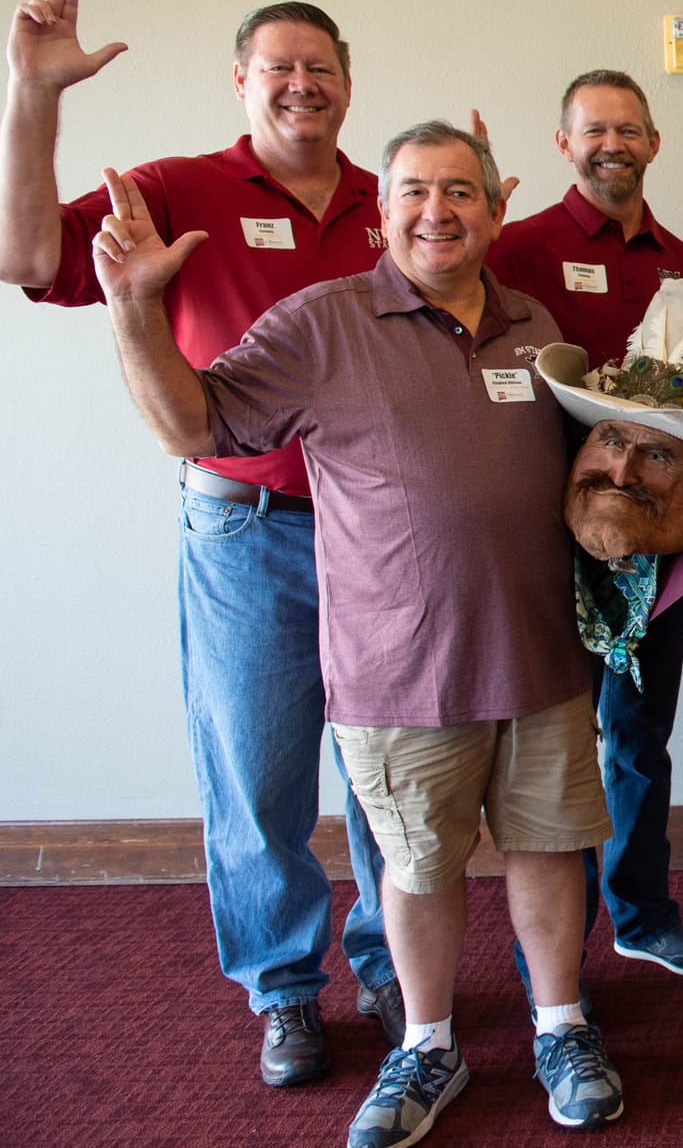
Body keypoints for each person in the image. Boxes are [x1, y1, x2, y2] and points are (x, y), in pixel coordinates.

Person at [90, 120, 631, 1143]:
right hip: (399, 666)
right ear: (381, 213)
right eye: (416, 191)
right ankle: (426, 1045)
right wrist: (133, 306)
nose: (440, 210)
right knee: (418, 866)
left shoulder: (534, 325)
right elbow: (193, 426)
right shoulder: (319, 323)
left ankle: (559, 1024)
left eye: (462, 191)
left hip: (541, 654)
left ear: (495, 207)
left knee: (552, 848)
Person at [0, 0, 398, 1084]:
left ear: (350, 86)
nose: (300, 84)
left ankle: (388, 962)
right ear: (240, 82)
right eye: (278, 67)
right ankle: (284, 991)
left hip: (382, 539)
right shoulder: (175, 188)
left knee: (388, 769)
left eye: (320, 68)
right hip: (246, 532)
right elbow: (27, 259)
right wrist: (33, 97)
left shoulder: (389, 204)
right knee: (259, 771)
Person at [486, 68, 683, 981]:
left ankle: (640, 911)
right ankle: (550, 950)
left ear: (653, 143)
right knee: (548, 748)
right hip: (539, 537)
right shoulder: (512, 248)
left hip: (655, 541)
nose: (613, 143)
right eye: (593, 129)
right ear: (564, 142)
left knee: (639, 732)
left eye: (629, 129)